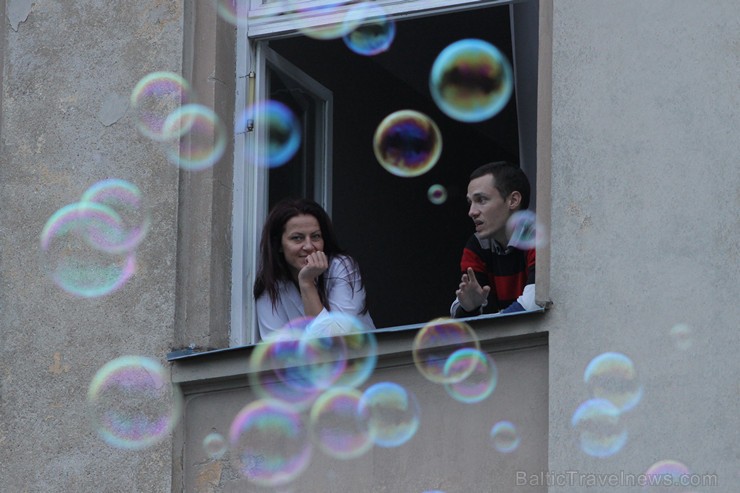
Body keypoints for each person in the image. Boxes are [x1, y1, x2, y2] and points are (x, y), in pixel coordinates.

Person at [254, 197, 375, 340]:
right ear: (279, 245)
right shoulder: (270, 285)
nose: (309, 246)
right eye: (297, 238)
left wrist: (306, 283)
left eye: (316, 236)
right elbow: (277, 349)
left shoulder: (341, 267)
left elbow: (335, 341)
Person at [450, 161, 539, 318]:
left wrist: (492, 322)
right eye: (470, 202)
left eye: (481, 200)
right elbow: (459, 310)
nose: (471, 212)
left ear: (513, 201)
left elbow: (534, 301)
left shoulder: (537, 236)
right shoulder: (477, 245)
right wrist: (470, 308)